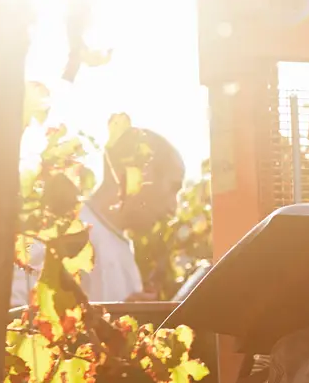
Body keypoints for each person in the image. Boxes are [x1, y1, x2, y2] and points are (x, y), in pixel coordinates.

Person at [13, 127, 187, 306]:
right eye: (173, 188)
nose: (173, 208)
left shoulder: (121, 246)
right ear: (137, 172)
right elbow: (15, 314)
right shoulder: (66, 230)